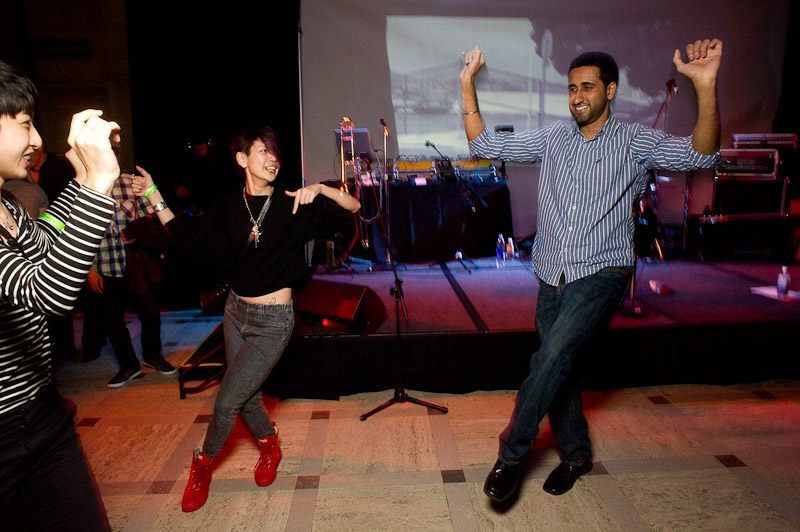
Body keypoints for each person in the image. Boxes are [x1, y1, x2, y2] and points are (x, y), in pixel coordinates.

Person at [461, 39, 722, 502]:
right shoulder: (554, 138)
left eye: (587, 87)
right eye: (571, 88)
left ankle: (511, 454)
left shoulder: (634, 141)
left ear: (610, 90)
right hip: (552, 272)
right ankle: (577, 455)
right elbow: (482, 144)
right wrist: (467, 83)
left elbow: (699, 157)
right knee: (558, 369)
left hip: (603, 271)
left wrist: (705, 86)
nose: (577, 96)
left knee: (549, 358)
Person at [133, 124, 360, 512]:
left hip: (273, 322)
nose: (272, 158)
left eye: (275, 151)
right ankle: (271, 446)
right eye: (262, 151)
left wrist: (322, 190)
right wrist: (154, 194)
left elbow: (353, 209)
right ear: (242, 159)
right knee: (248, 396)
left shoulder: (295, 204)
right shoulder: (228, 207)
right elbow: (185, 234)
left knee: (226, 403)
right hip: (236, 312)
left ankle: (201, 464)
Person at [0, 60, 120, 531]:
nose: (36, 140)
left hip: (43, 414)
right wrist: (98, 186)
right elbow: (46, 290)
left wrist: (81, 178)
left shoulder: (8, 204)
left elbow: (47, 243)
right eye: (25, 123)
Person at [80, 157, 176, 388]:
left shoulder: (129, 183)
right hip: (103, 265)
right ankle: (128, 364)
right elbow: (80, 235)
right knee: (113, 321)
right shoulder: (82, 190)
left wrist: (137, 232)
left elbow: (150, 217)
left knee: (151, 314)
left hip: (134, 265)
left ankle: (152, 355)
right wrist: (89, 270)